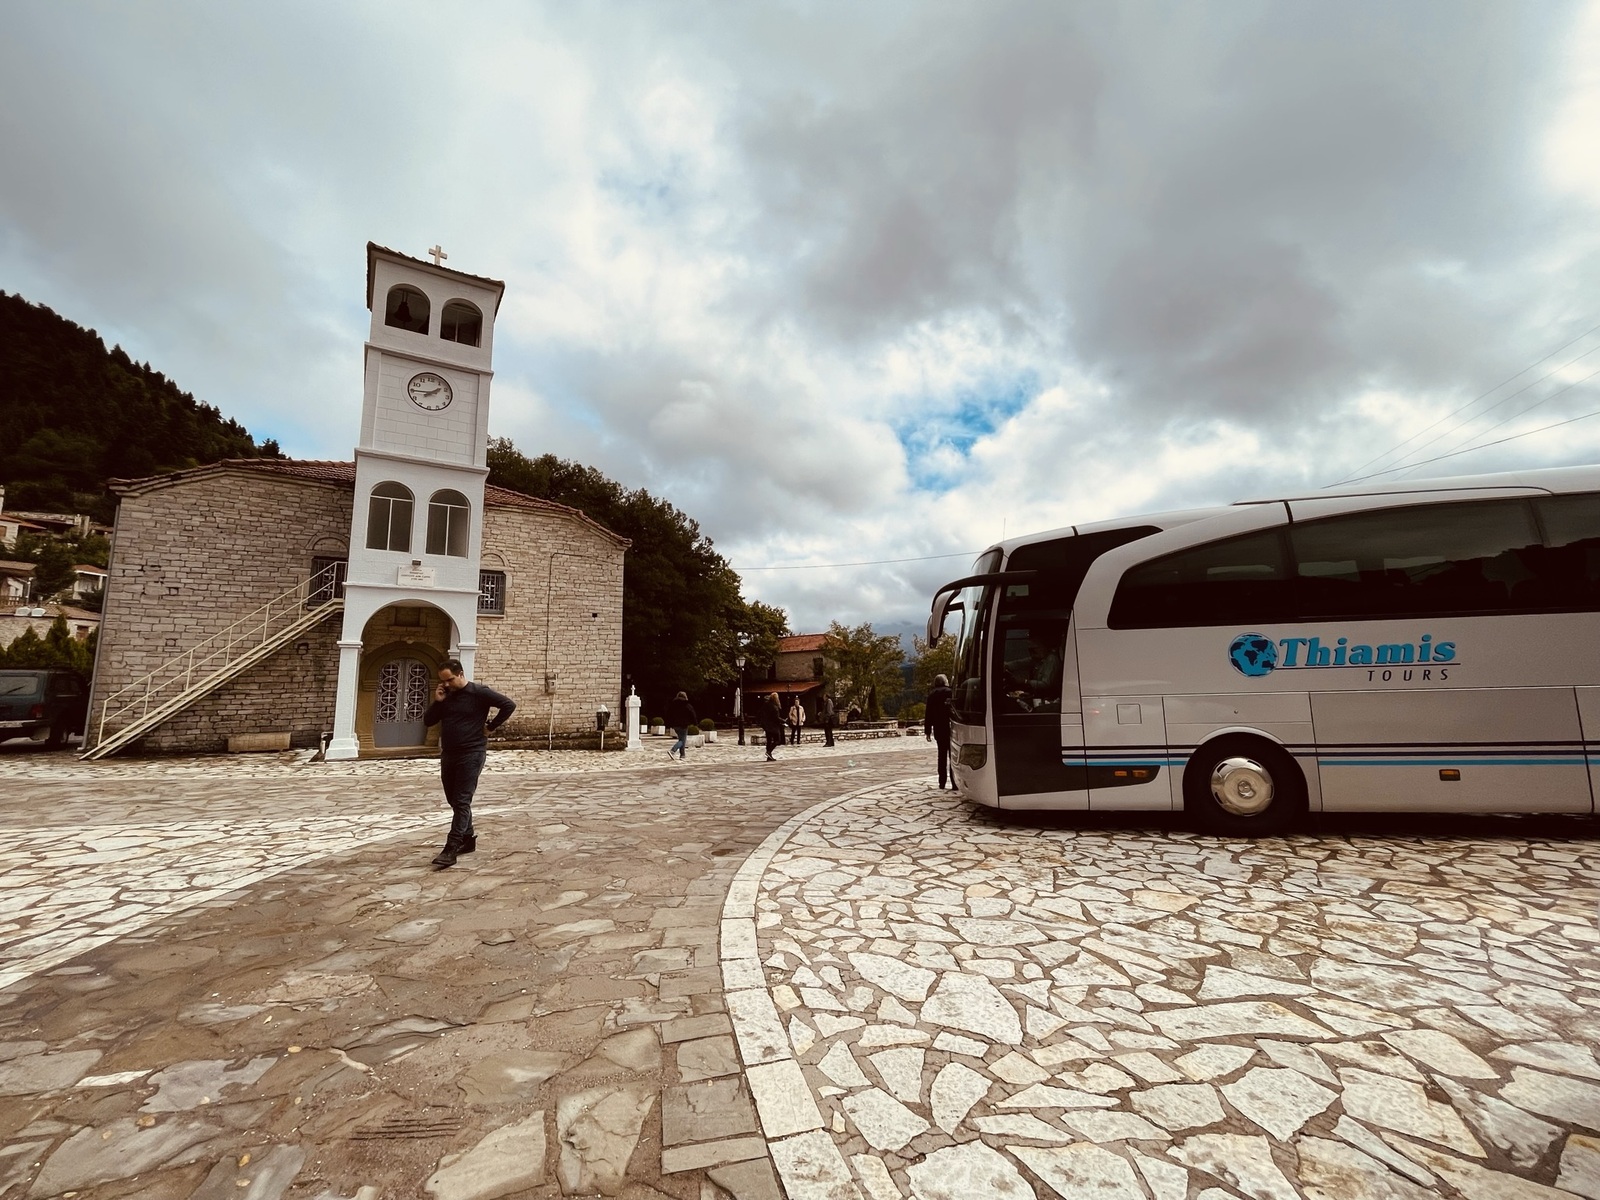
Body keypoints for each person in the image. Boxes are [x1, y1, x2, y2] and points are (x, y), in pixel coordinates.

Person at [423, 659, 516, 868]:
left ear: (461, 674)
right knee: (453, 800)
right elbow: (428, 721)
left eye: (450, 680)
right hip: (449, 754)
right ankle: (468, 837)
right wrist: (437, 701)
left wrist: (491, 727)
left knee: (462, 800)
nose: (446, 684)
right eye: (443, 681)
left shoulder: (479, 692)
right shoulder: (446, 696)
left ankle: (451, 848)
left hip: (472, 753)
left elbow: (508, 705)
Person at [924, 672, 954, 790]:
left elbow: (928, 714)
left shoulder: (932, 695)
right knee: (953, 756)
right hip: (951, 728)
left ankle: (942, 782)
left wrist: (928, 731)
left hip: (938, 729)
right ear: (945, 681)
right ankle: (955, 782)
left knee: (941, 755)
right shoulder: (950, 692)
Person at [666, 691, 698, 761]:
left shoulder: (673, 704)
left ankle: (682, 755)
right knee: (682, 741)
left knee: (681, 739)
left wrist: (669, 724)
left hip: (675, 725)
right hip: (683, 725)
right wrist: (695, 723)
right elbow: (692, 714)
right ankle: (673, 750)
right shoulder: (687, 705)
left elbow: (668, 714)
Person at [760, 692, 785, 761]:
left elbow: (762, 714)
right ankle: (769, 752)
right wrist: (784, 721)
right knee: (777, 740)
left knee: (769, 740)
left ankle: (769, 757)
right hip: (773, 726)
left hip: (766, 726)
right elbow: (776, 718)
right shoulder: (775, 707)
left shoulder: (766, 705)